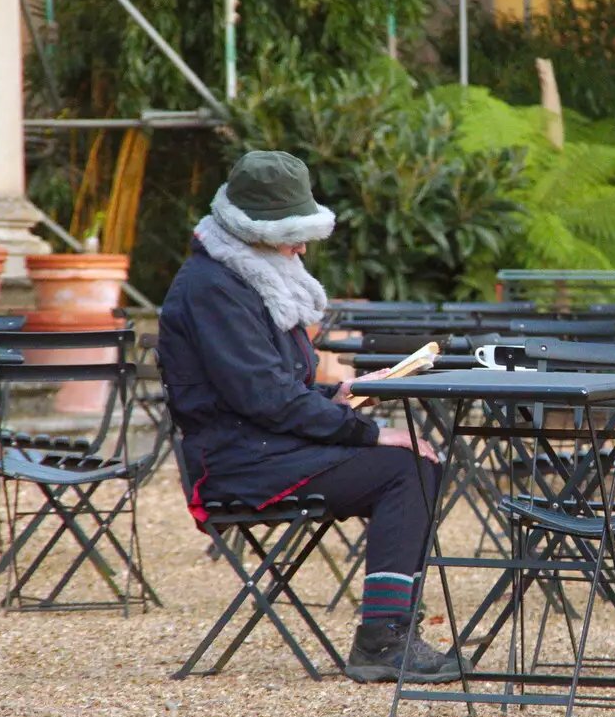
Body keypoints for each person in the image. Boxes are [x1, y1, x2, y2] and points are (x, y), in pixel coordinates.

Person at [157, 150, 466, 684]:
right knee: (406, 467)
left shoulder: (244, 277)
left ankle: (389, 632)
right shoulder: (212, 288)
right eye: (291, 233)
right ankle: (383, 640)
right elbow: (265, 400)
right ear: (254, 231)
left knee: (418, 461)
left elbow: (271, 391)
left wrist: (336, 394)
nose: (302, 247)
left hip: (264, 447)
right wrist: (368, 432)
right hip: (236, 464)